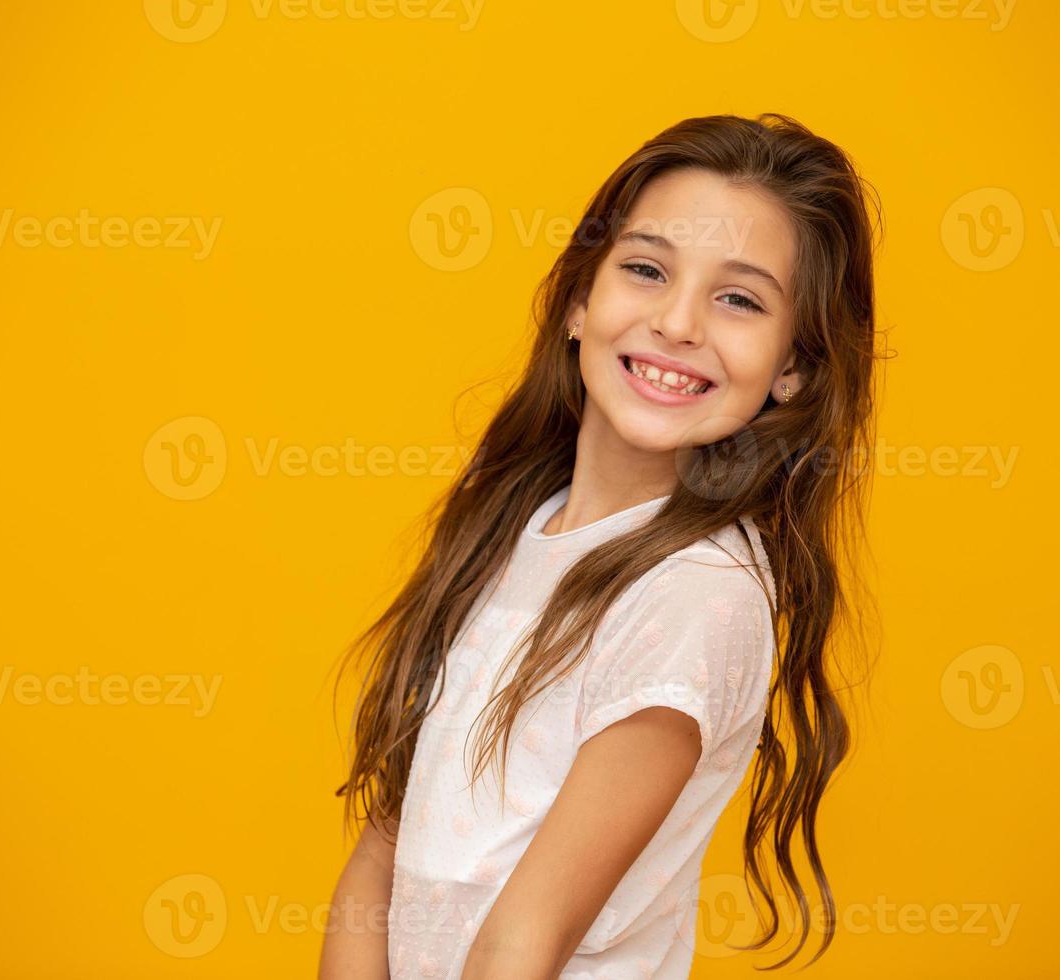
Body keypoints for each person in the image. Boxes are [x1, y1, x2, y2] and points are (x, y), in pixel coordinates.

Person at [320, 112, 881, 979]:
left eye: (739, 298)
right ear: (581, 301)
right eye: (647, 269)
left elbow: (522, 943)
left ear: (792, 367)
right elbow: (380, 861)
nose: (679, 323)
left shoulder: (695, 593)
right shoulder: (506, 528)